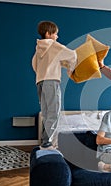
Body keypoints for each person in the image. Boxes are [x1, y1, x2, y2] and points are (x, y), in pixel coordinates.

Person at [32, 21, 77, 150]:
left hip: (40, 82)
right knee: (54, 112)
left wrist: (42, 73)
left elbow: (34, 64)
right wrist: (70, 69)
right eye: (55, 34)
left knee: (46, 113)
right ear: (48, 34)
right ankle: (47, 143)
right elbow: (72, 54)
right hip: (52, 81)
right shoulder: (53, 45)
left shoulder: (38, 48)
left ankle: (44, 141)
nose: (57, 36)